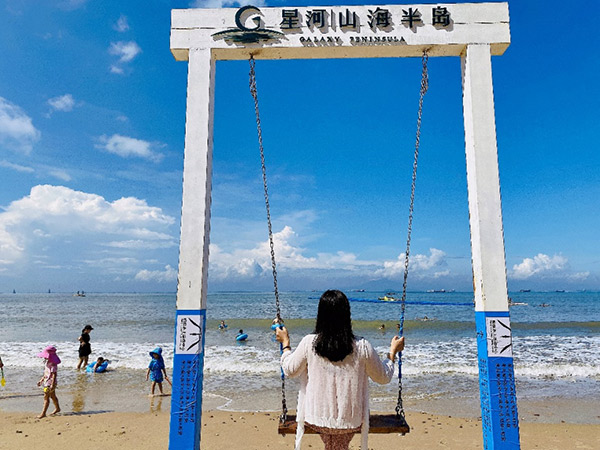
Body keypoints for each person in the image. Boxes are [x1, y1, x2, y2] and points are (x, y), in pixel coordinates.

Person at [276, 289, 405, 450]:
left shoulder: (309, 343)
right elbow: (383, 377)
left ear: (320, 315)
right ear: (347, 315)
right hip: (350, 421)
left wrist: (285, 343)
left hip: (317, 418)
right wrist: (392, 352)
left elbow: (290, 370)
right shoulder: (362, 346)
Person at [36, 345, 61, 418]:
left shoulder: (53, 364)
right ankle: (57, 408)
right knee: (53, 396)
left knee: (46, 397)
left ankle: (43, 413)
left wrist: (52, 384)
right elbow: (46, 374)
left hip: (50, 383)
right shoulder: (47, 363)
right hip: (46, 382)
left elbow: (54, 375)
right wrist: (41, 380)